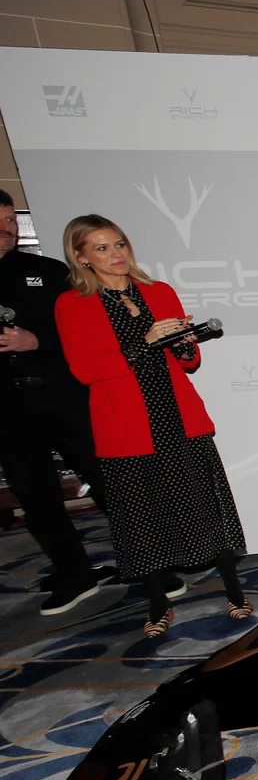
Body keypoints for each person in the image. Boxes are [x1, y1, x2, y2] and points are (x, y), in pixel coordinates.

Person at [54, 215, 249, 638]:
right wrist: (144, 342)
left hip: (179, 418)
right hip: (127, 427)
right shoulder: (73, 304)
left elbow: (189, 363)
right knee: (143, 521)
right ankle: (158, 603)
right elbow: (85, 370)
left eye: (119, 244)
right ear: (81, 256)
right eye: (101, 248)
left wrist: (183, 343)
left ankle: (236, 592)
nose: (115, 254)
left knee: (206, 510)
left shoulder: (159, 292)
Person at [0, 190, 116, 614]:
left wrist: (36, 341)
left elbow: (91, 335)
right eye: (0, 223)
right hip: (8, 410)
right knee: (36, 497)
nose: (8, 230)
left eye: (12, 221)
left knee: (109, 481)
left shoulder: (50, 273)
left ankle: (151, 565)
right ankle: (75, 574)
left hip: (65, 396)